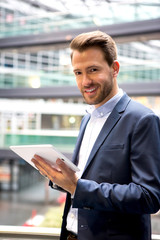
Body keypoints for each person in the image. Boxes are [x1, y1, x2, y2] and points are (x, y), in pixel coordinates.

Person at [31, 31, 160, 240]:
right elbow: (85, 176)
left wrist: (77, 187)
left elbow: (149, 197)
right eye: (78, 73)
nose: (85, 81)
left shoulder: (142, 119)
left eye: (93, 70)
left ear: (114, 69)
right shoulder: (87, 119)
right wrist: (58, 177)